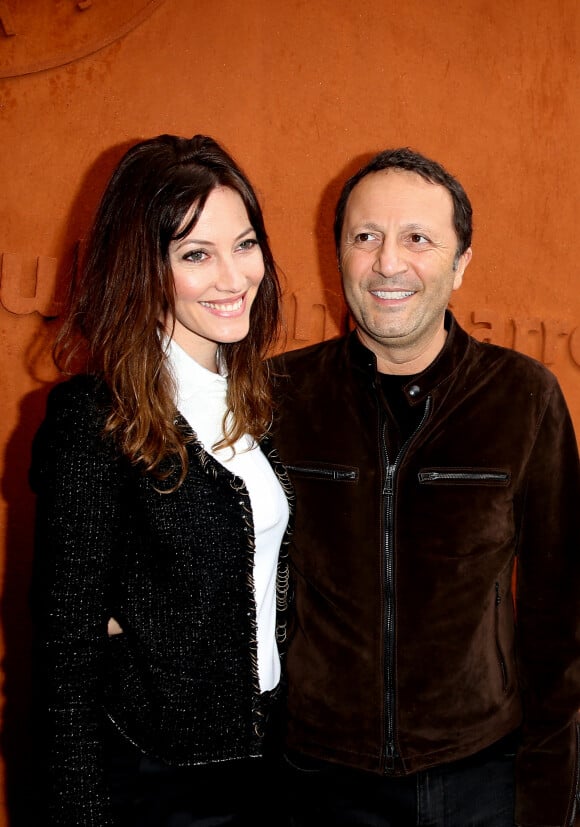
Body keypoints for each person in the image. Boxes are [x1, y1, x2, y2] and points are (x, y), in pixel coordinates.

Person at [269, 147, 580, 827]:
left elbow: (560, 622)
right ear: (338, 255)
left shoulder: (524, 397)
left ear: (461, 262)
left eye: (417, 238)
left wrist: (553, 799)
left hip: (479, 780)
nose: (387, 262)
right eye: (365, 237)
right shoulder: (279, 396)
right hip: (314, 781)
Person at [29, 134, 293, 826]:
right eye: (195, 254)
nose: (233, 277)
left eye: (244, 244)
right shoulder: (94, 419)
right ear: (142, 266)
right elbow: (65, 654)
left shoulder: (258, 398)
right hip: (155, 781)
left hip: (268, 760)